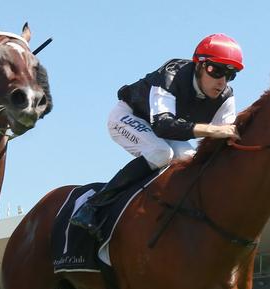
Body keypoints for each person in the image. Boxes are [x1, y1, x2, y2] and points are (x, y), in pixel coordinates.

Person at [71, 33, 244, 238]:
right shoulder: (172, 74)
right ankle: (93, 206)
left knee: (190, 160)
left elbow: (222, 144)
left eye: (230, 74)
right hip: (129, 117)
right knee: (160, 152)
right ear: (199, 65)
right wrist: (213, 130)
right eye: (216, 70)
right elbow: (163, 125)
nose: (222, 81)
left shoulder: (226, 96)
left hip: (166, 130)